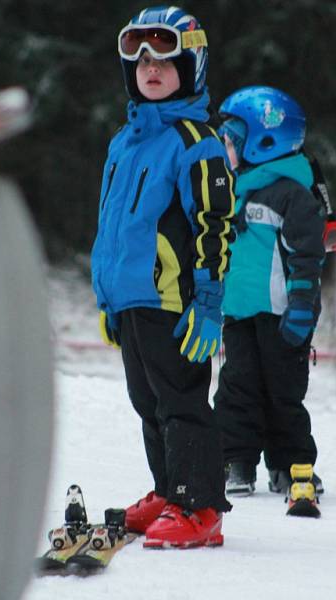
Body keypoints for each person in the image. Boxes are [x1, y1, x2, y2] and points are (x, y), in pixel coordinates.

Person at [90, 5, 235, 547]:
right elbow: (111, 222)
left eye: (165, 61)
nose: (151, 69)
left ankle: (201, 507)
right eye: (142, 60)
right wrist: (108, 296)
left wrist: (210, 300)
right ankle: (169, 489)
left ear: (190, 68)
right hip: (131, 297)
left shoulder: (196, 141)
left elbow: (215, 223)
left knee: (181, 401)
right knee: (146, 401)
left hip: (174, 300)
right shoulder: (124, 142)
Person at [212, 86, 326, 515]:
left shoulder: (291, 195)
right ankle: (235, 461)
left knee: (283, 392)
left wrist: (301, 304)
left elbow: (307, 256)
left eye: (230, 140)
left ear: (263, 142)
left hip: (283, 316)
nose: (224, 147)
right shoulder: (235, 189)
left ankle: (293, 464)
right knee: (237, 389)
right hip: (239, 313)